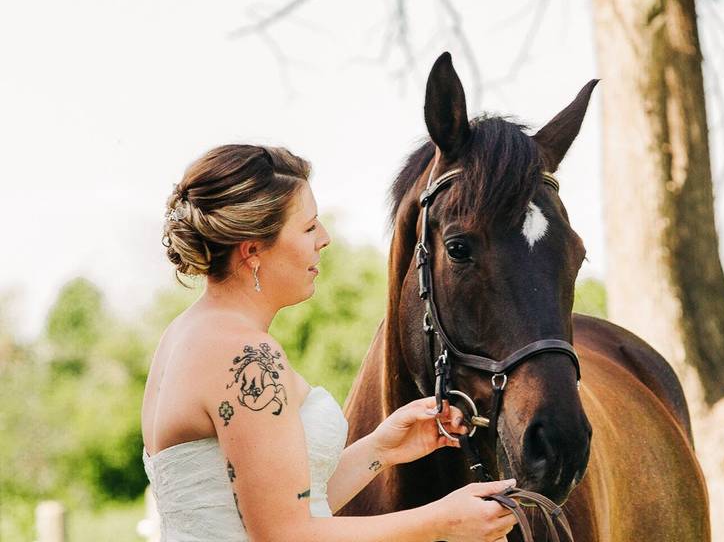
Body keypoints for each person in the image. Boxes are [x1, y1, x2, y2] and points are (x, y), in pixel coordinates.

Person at [141, 144, 518, 542]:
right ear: (252, 250)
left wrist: (381, 449)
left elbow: (273, 507)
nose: (324, 239)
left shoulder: (186, 334)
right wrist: (443, 521)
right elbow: (285, 534)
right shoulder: (243, 354)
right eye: (308, 227)